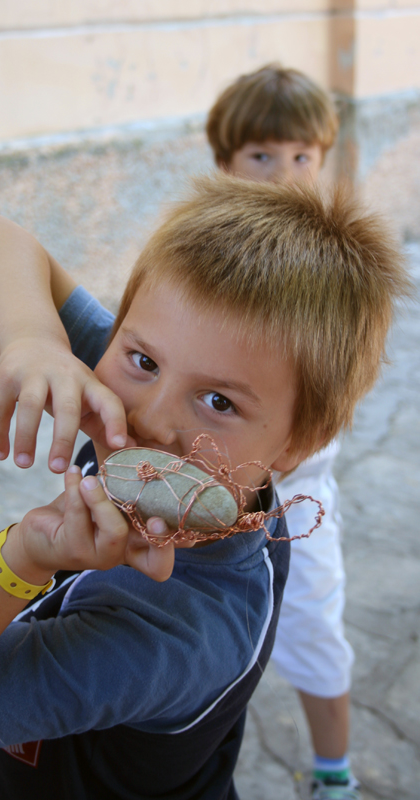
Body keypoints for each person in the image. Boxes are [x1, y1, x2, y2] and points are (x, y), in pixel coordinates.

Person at [0, 175, 410, 800]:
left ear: (297, 445)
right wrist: (34, 338)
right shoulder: (147, 391)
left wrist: (21, 555)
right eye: (145, 361)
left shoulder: (180, 634)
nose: (151, 417)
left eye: (219, 402)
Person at [207, 64, 357, 799]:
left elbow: (342, 387)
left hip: (296, 502)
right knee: (198, 647)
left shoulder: (336, 268)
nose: (283, 174)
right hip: (201, 499)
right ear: (224, 163)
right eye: (261, 154)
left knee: (315, 636)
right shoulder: (198, 258)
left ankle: (334, 773)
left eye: (302, 156)